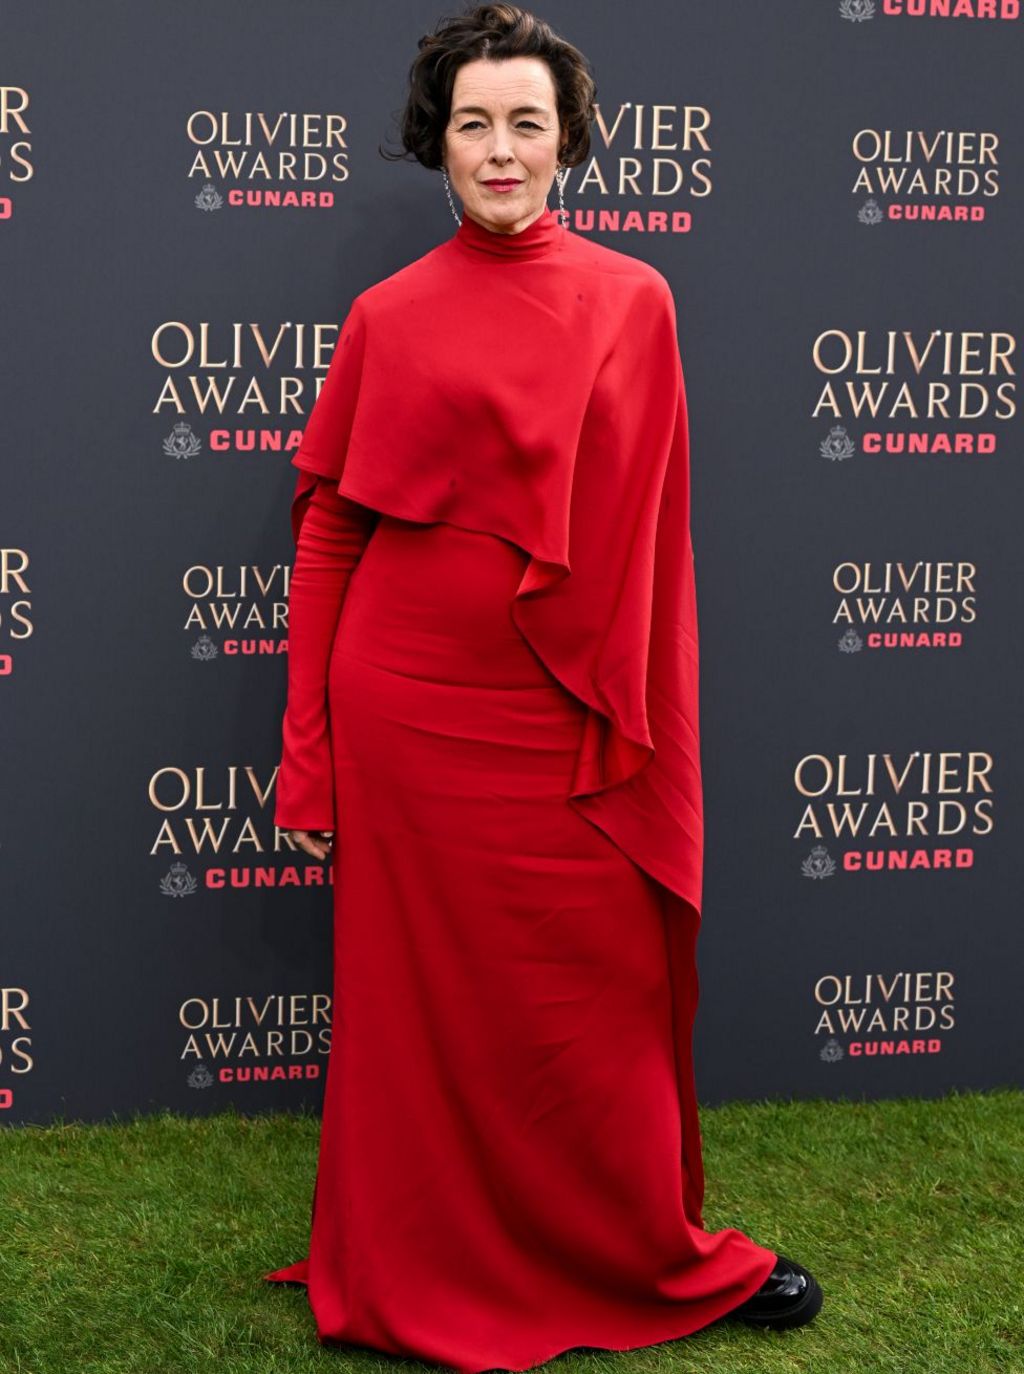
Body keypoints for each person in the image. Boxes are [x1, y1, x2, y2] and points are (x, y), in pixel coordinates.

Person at [264, 5, 823, 1369]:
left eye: (526, 121)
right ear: (436, 144)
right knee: (423, 1010)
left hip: (567, 715)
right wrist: (311, 748)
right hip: (407, 707)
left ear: (567, 137)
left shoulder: (637, 299)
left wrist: (637, 716)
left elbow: (649, 535)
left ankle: (647, 1252)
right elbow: (333, 529)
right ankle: (409, 1261)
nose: (500, 149)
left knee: (593, 1000)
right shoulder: (387, 317)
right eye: (473, 124)